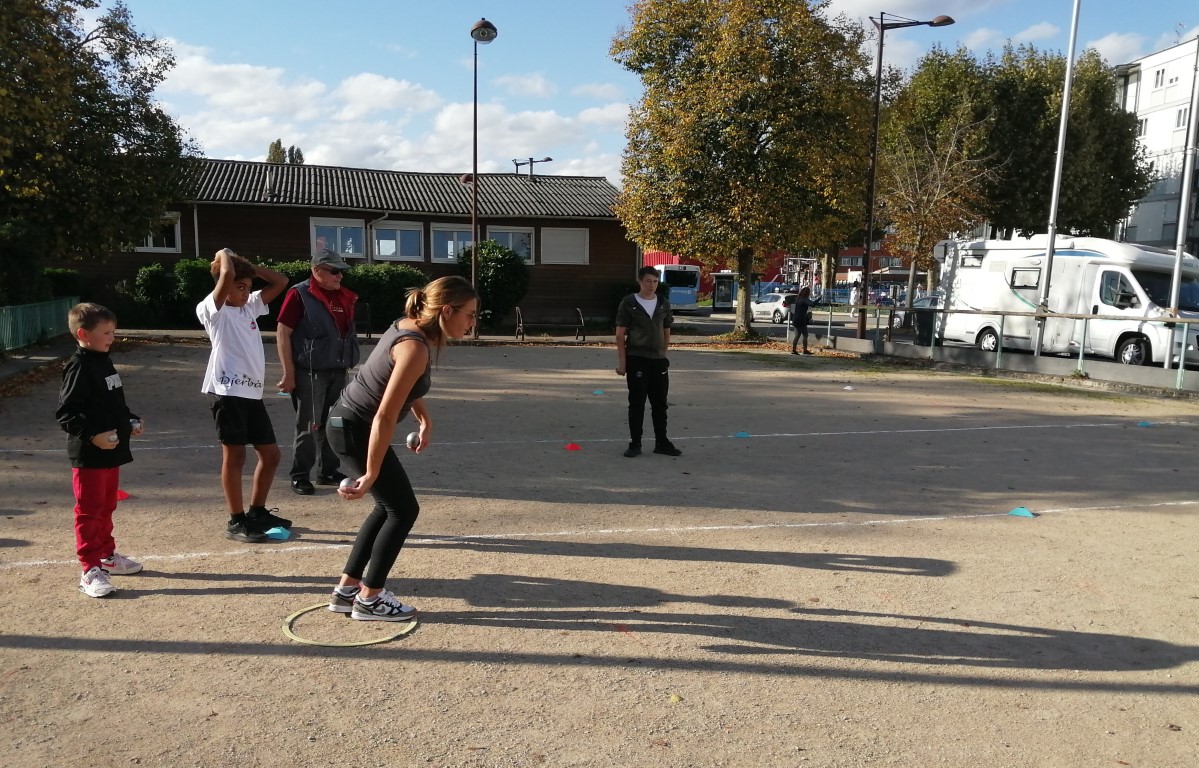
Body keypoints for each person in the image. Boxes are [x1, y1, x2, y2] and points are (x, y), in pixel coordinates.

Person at [325, 275, 478, 621]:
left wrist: (425, 419)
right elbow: (384, 415)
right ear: (447, 310)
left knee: (388, 507)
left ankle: (347, 590)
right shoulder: (415, 346)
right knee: (403, 510)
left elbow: (401, 386)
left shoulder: (408, 326)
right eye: (469, 315)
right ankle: (370, 599)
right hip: (356, 428)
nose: (472, 323)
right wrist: (370, 474)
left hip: (347, 424)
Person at [197, 248, 291, 543]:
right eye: (241, 287)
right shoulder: (213, 309)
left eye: (248, 288)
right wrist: (225, 254)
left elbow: (281, 281)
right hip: (226, 392)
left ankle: (257, 512)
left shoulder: (249, 307)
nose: (246, 292)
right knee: (235, 456)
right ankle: (236, 521)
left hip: (251, 393)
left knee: (271, 454)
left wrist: (251, 268)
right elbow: (225, 275)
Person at [56, 303, 145, 597]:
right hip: (89, 456)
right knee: (89, 511)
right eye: (106, 332)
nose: (112, 337)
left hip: (111, 452)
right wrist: (92, 435)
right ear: (83, 334)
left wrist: (130, 419)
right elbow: (67, 413)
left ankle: (108, 557)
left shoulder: (104, 360)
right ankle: (89, 568)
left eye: (113, 331)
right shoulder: (79, 366)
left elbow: (113, 403)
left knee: (106, 506)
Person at [276, 249, 360, 496]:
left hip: (338, 369)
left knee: (335, 423)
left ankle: (328, 471)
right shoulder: (299, 294)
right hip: (310, 371)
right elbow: (283, 332)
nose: (339, 277)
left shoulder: (344, 296)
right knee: (310, 424)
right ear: (316, 271)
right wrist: (288, 372)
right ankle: (300, 475)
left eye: (341, 272)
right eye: (334, 271)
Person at [614, 266, 682, 459]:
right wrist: (622, 362)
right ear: (640, 282)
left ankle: (662, 442)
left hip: (658, 361)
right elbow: (620, 334)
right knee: (637, 403)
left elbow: (666, 330)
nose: (651, 285)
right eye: (647, 281)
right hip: (637, 359)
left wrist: (664, 353)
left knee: (660, 404)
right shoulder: (629, 303)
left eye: (655, 281)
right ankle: (635, 443)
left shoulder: (663, 303)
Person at [789, 287, 814, 355]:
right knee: (805, 335)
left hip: (795, 318)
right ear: (807, 293)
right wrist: (819, 299)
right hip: (801, 319)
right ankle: (805, 350)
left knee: (797, 335)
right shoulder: (804, 299)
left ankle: (794, 350)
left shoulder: (799, 299)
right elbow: (812, 304)